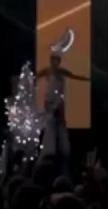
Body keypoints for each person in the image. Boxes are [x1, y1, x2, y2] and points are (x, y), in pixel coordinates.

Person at [37, 31, 88, 161]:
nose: (55, 62)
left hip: (59, 101)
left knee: (60, 124)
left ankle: (61, 150)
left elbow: (74, 76)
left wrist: (87, 79)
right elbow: (36, 77)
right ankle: (49, 150)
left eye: (57, 60)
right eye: (53, 60)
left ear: (59, 61)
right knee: (50, 123)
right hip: (49, 101)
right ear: (51, 60)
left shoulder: (61, 71)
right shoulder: (47, 70)